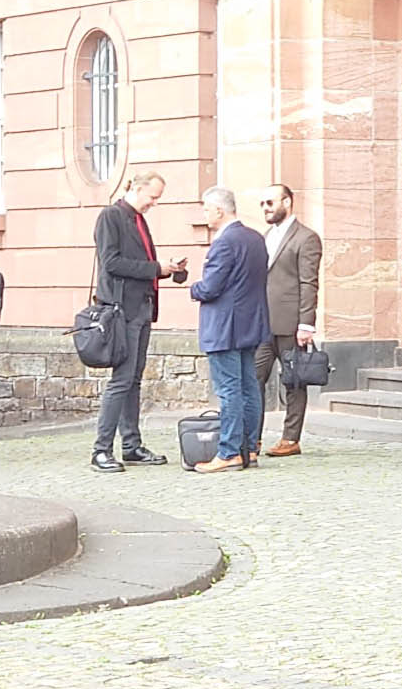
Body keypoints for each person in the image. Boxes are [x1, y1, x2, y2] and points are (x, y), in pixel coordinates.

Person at [89, 167, 184, 476]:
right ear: (137, 188)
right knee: (121, 380)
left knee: (133, 380)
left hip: (141, 308)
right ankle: (101, 450)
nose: (154, 203)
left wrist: (166, 269)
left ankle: (131, 445)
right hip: (121, 311)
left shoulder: (138, 220)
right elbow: (111, 263)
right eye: (152, 197)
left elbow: (138, 265)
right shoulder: (111, 216)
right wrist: (156, 268)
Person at [187, 186, 270, 470]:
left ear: (219, 211)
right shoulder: (256, 238)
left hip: (225, 327)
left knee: (229, 390)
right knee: (249, 387)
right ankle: (250, 448)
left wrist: (193, 288)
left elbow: (210, 287)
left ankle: (229, 452)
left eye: (206, 209)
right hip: (250, 324)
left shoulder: (224, 242)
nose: (204, 214)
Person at [255, 179, 324, 458]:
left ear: (287, 202)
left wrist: (306, 324)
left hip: (291, 324)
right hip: (262, 324)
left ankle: (290, 439)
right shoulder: (265, 236)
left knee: (294, 382)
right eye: (262, 203)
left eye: (270, 202)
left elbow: (309, 283)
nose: (265, 208)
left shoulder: (306, 238)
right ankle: (251, 438)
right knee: (253, 379)